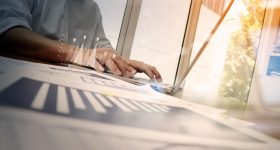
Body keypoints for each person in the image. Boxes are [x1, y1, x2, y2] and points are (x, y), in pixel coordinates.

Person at [0, 0, 162, 82]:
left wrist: (122, 62)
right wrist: (78, 54)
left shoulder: (92, 9)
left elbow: (103, 49)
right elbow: (9, 31)